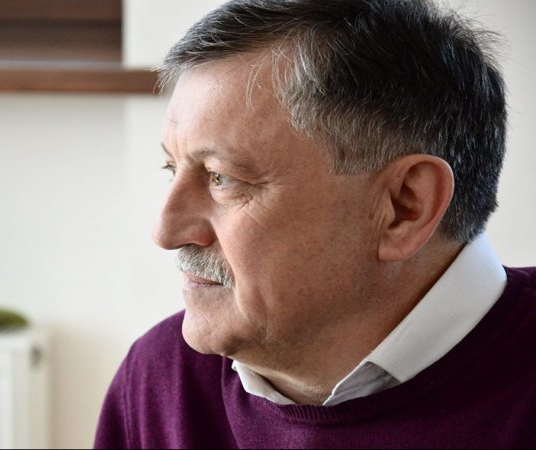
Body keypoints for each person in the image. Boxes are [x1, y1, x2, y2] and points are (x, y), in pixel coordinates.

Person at [94, 0, 536, 448]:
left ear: (404, 207)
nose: (165, 233)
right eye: (172, 169)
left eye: (221, 178)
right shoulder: (161, 380)